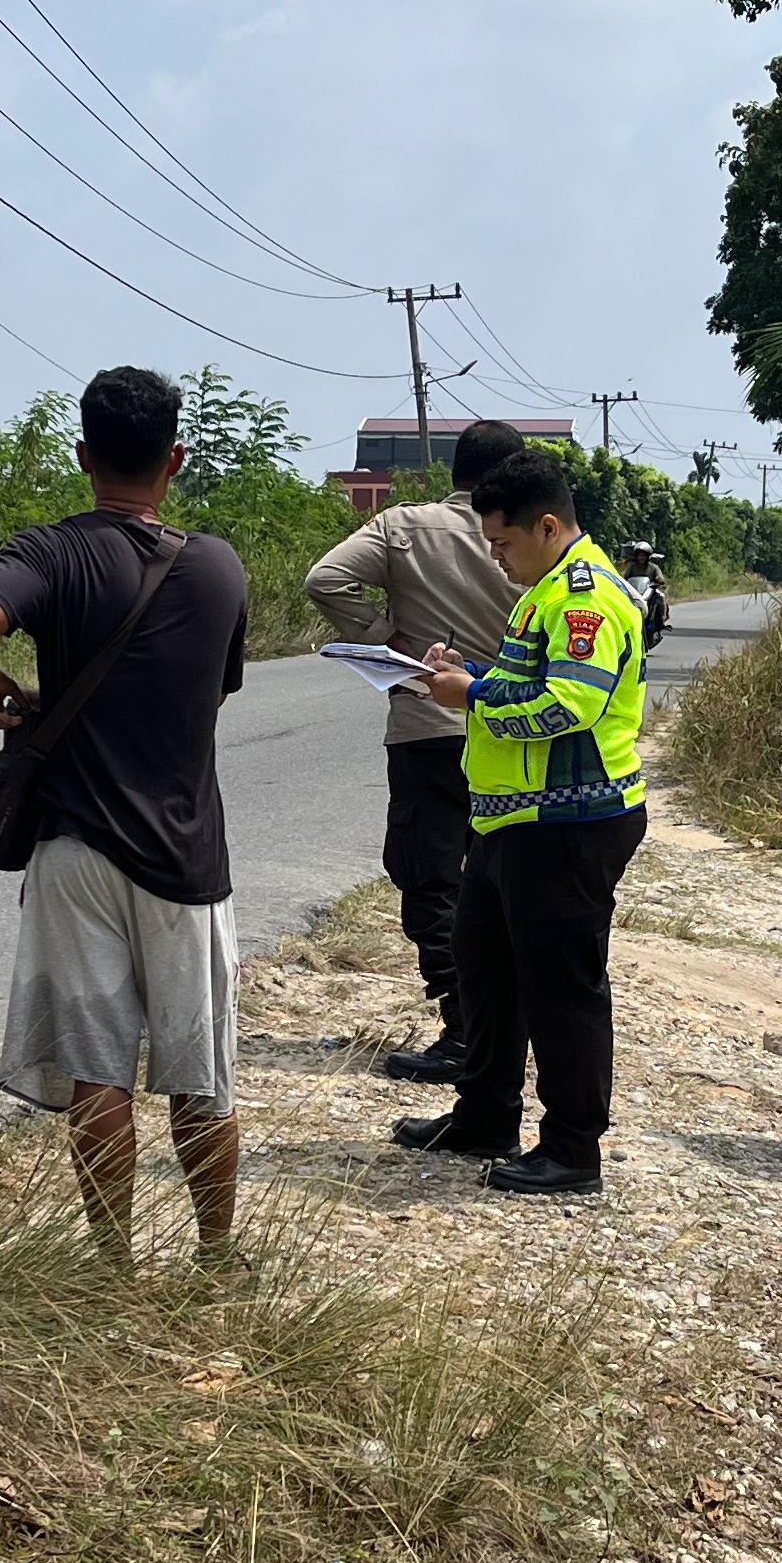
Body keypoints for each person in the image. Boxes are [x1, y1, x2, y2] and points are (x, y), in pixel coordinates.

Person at [0, 367, 256, 1264]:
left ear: (83, 455)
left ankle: (113, 1263)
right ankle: (214, 1257)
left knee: (98, 1071)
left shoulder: (49, 552)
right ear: (177, 459)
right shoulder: (217, 565)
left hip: (77, 849)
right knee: (201, 1077)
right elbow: (211, 693)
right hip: (187, 860)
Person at [390, 448, 649, 1197]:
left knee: (561, 989)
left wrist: (468, 695)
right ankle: (485, 1115)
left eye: (502, 544)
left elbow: (568, 706)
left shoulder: (584, 599)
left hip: (568, 826)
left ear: (545, 525)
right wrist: (467, 671)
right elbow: (527, 681)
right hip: (514, 822)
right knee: (487, 970)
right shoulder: (544, 592)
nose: (496, 559)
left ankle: (572, 1148)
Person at [305, 417, 529, 1083]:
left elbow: (326, 579)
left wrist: (395, 643)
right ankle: (506, 1028)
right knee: (503, 886)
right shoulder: (530, 541)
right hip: (511, 734)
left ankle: (464, 1029)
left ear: (454, 470)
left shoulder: (404, 525)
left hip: (428, 725)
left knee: (433, 881)